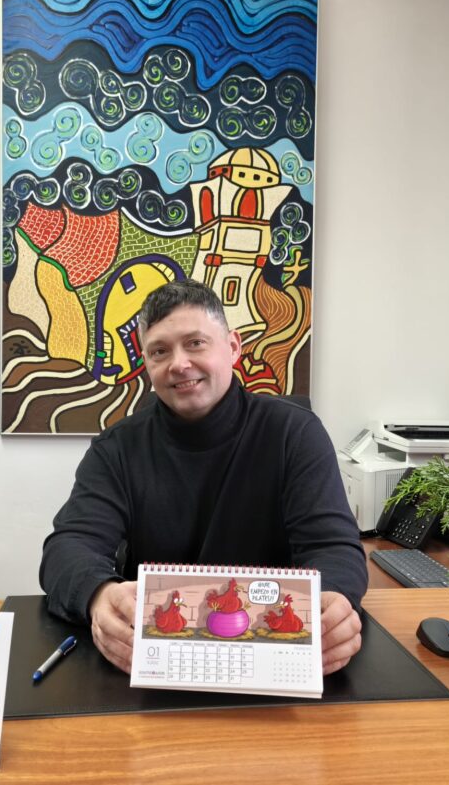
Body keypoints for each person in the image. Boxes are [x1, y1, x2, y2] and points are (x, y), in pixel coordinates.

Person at [39, 279, 367, 676]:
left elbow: (333, 546)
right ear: (147, 364)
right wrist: (98, 594)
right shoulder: (117, 448)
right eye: (160, 351)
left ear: (233, 347)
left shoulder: (295, 434)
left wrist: (334, 600)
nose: (178, 364)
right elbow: (69, 545)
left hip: (273, 655)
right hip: (156, 659)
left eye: (195, 343)